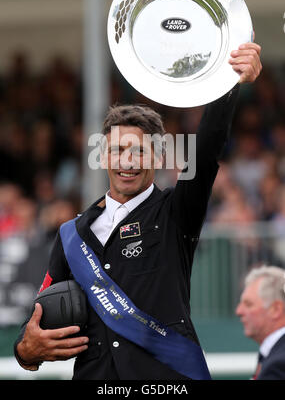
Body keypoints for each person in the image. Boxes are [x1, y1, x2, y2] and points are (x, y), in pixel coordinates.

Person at [14, 42, 262, 380]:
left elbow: (205, 151)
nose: (127, 161)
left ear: (159, 158)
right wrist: (24, 351)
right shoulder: (71, 234)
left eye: (139, 151)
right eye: (117, 150)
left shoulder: (176, 213)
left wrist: (229, 83)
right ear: (102, 157)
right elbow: (38, 319)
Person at [236, 265, 285, 380]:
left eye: (248, 304)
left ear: (276, 309)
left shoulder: (279, 364)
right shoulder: (272, 355)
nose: (239, 311)